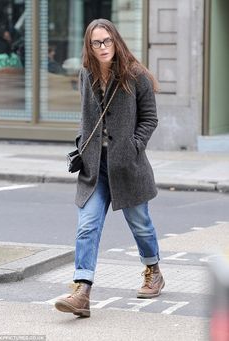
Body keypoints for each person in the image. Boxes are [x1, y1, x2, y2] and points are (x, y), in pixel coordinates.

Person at [55, 18, 165, 318]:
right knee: (87, 225)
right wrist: (82, 141)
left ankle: (153, 269)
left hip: (127, 166)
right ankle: (82, 290)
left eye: (107, 41)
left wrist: (133, 147)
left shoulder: (136, 75)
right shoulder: (86, 74)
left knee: (140, 223)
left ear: (115, 41)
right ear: (89, 46)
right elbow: (84, 115)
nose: (102, 47)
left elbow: (150, 119)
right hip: (94, 167)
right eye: (96, 43)